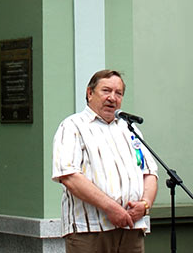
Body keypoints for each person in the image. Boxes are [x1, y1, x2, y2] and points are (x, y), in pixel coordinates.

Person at [52, 69, 158, 253]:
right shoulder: (72, 126)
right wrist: (112, 209)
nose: (112, 98)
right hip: (90, 231)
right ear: (90, 93)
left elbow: (149, 172)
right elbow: (69, 176)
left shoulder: (130, 130)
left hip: (131, 228)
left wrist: (145, 205)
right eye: (106, 91)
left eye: (118, 93)